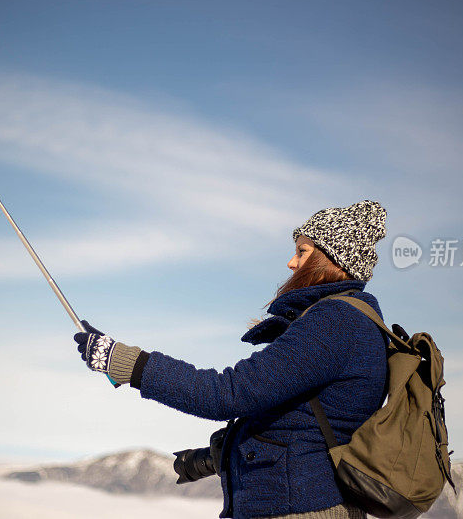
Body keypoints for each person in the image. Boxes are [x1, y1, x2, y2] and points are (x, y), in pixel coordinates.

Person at [74, 200, 388, 519]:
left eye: (303, 251)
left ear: (331, 260)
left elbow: (229, 394)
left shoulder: (335, 322)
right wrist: (222, 455)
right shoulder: (351, 321)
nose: (292, 263)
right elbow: (303, 425)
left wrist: (127, 362)